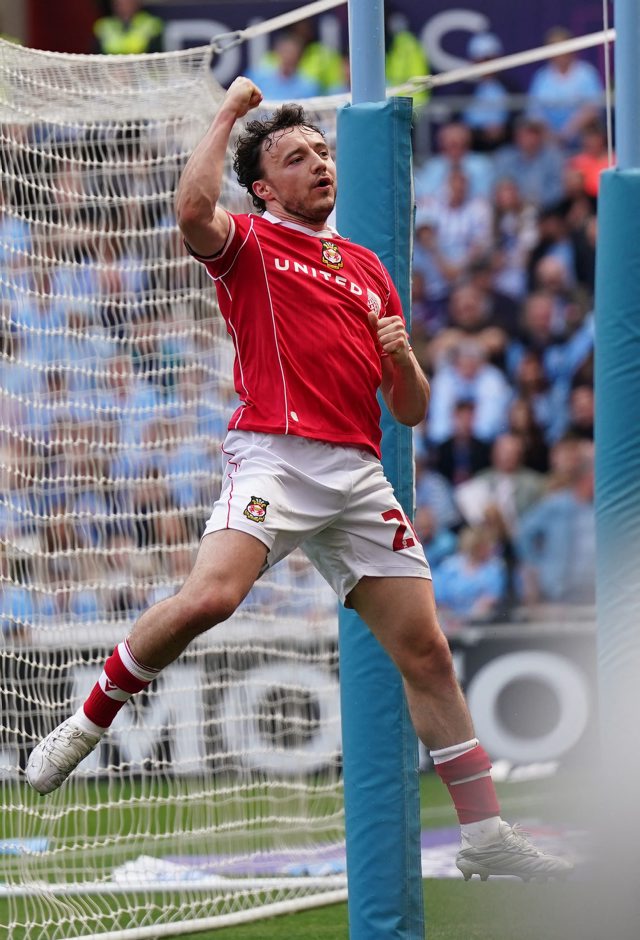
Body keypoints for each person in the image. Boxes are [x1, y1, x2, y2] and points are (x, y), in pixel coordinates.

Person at [26, 77, 571, 882]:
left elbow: (411, 409)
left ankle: (486, 837)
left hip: (357, 472)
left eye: (322, 152)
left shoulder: (368, 266)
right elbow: (190, 212)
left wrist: (402, 358)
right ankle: (88, 722)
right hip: (275, 457)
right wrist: (229, 114)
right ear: (263, 188)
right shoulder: (247, 243)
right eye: (295, 158)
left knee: (428, 653)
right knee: (212, 599)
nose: (319, 163)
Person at [93, 0, 164, 56]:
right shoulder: (104, 25)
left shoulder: (151, 24)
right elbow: (97, 54)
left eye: (127, 2)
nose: (123, 5)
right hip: (111, 68)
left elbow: (155, 54)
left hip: (141, 67)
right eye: (120, 3)